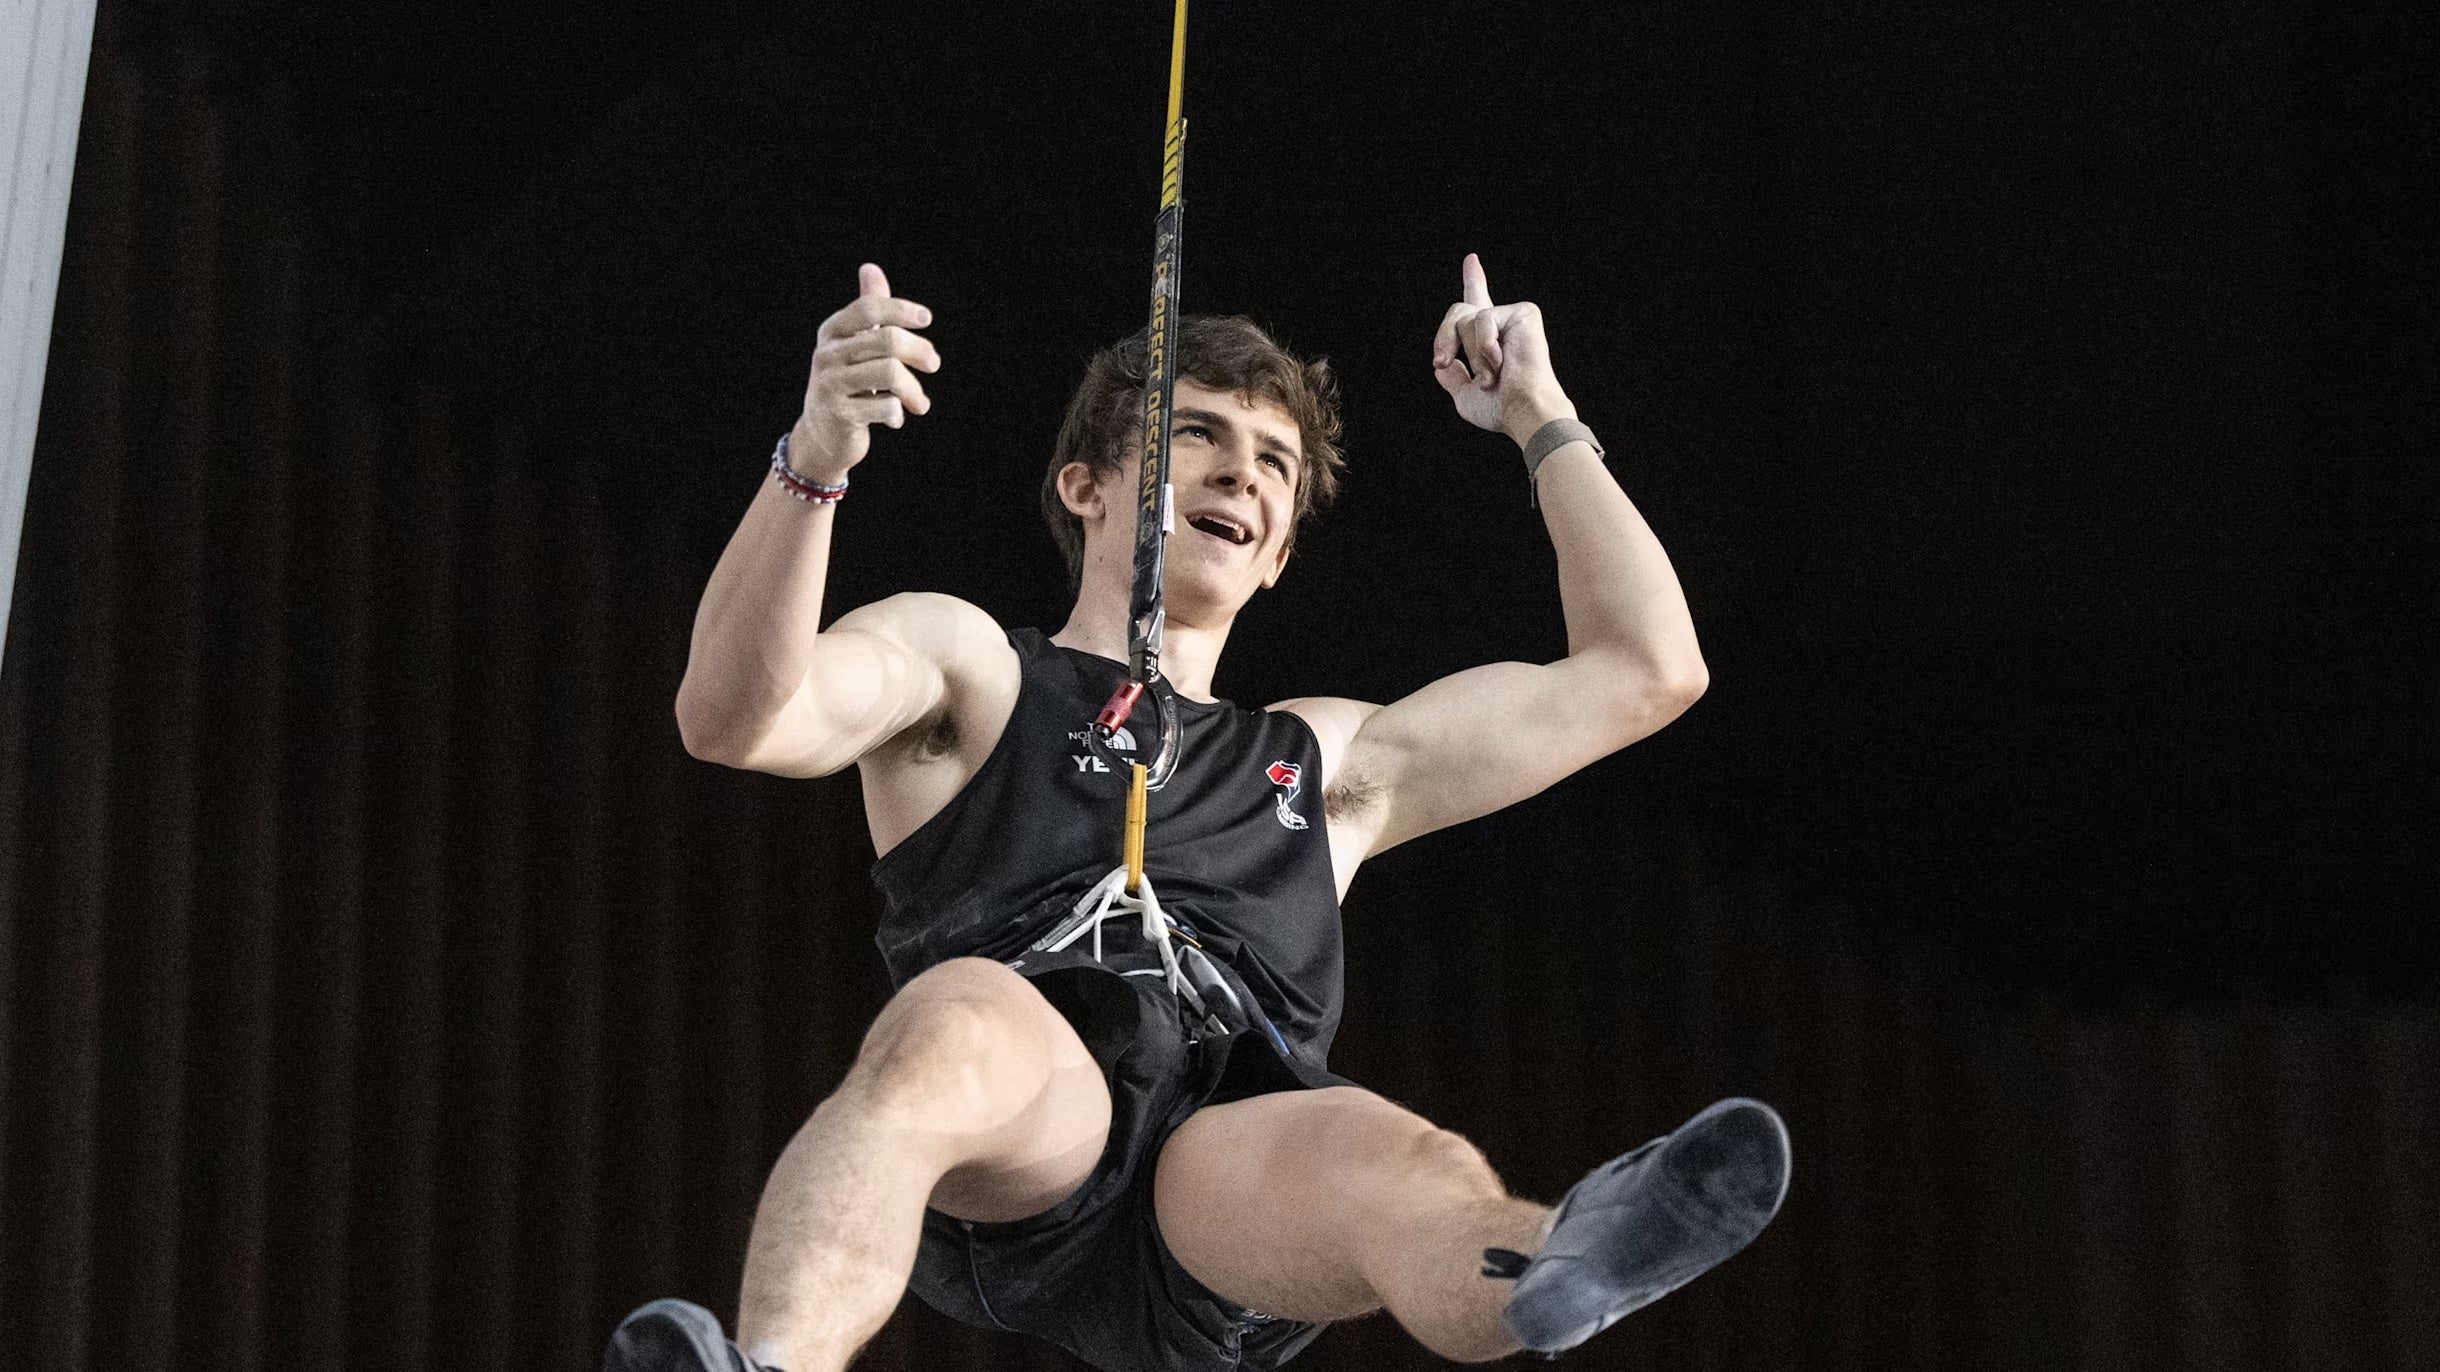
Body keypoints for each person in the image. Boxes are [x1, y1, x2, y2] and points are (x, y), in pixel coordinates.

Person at [605, 255, 1789, 1372]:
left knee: (1411, 1163)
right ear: (1085, 486)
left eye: (1275, 463)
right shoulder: (969, 668)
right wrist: (815, 459)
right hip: (1032, 1119)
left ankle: (1559, 1264)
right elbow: (734, 718)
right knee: (954, 1019)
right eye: (1199, 437)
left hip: (1225, 1169)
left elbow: (1647, 669)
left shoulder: (1327, 760)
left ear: (1275, 554)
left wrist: (1542, 416)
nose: (1242, 473)